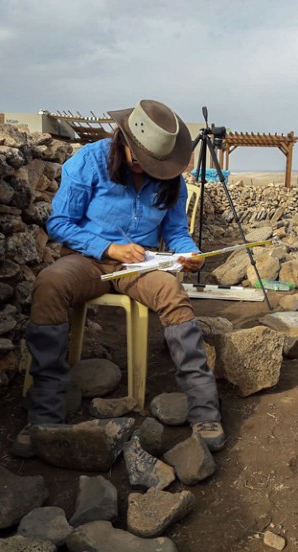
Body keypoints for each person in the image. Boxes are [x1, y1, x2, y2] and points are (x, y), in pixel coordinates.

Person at [12, 99, 225, 457]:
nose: (147, 172)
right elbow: (60, 223)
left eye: (156, 167)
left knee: (172, 292)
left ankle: (204, 408)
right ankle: (45, 415)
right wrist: (109, 248)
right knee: (50, 284)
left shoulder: (171, 179)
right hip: (88, 259)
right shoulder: (88, 161)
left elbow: (175, 232)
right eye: (141, 163)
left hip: (140, 265)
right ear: (123, 142)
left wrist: (188, 253)